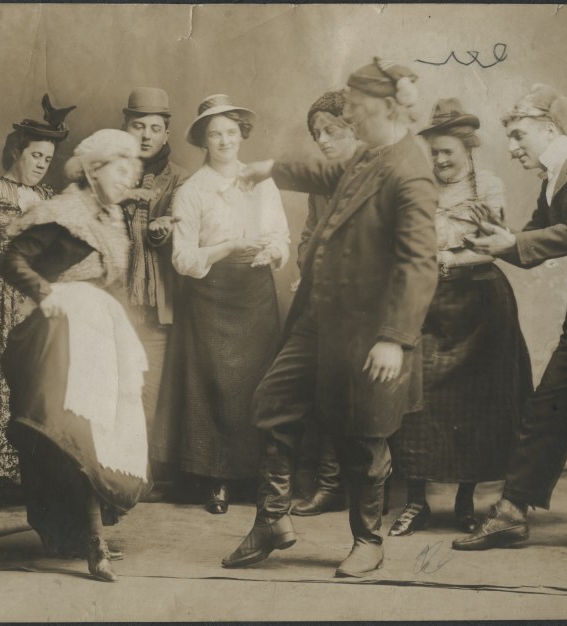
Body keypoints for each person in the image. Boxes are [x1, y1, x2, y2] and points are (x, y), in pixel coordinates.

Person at [222, 58, 438, 577]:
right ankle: (272, 520)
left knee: (362, 435)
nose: (352, 120)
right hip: (321, 318)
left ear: (386, 108)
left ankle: (369, 541)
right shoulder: (372, 154)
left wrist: (394, 337)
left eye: (358, 110)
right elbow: (328, 172)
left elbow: (419, 262)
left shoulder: (411, 170)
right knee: (273, 403)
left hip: (369, 330)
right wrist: (269, 168)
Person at [454, 84, 567, 558]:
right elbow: (531, 242)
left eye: (517, 135)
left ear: (548, 128)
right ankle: (511, 513)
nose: (511, 148)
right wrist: (496, 237)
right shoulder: (553, 178)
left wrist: (512, 244)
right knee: (546, 405)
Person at [1, 129, 148, 583]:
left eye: (133, 171)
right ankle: (89, 537)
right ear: (93, 169)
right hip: (60, 332)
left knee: (102, 431)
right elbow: (11, 259)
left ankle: (81, 531)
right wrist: (45, 293)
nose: (128, 180)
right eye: (120, 170)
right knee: (72, 430)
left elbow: (111, 284)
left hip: (99, 331)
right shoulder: (61, 213)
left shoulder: (111, 218)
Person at [387, 98, 532, 536]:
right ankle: (416, 502)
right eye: (434, 151)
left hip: (480, 305)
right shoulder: (415, 186)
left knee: (476, 405)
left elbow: (491, 246)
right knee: (417, 399)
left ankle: (466, 502)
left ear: (468, 148)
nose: (440, 159)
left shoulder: (486, 186)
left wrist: (446, 258)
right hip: (426, 304)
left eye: (448, 150)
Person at [157, 94, 290, 515]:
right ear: (203, 140)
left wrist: (273, 254)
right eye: (215, 134)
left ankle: (256, 478)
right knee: (213, 385)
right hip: (211, 295)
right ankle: (215, 480)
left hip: (256, 293)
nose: (224, 140)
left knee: (258, 384)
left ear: (241, 135)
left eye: (231, 132)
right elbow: (182, 258)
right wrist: (228, 246)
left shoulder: (263, 181)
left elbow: (282, 236)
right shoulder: (192, 190)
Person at [0, 94, 74, 512]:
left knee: (36, 383)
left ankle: (32, 477)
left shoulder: (51, 198)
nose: (43, 163)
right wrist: (17, 249)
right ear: (16, 152)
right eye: (36, 155)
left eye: (48, 157)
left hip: (38, 300)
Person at [289, 89, 362, 517]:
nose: (322, 140)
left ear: (354, 128)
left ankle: (373, 489)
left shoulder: (379, 173)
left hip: (369, 303)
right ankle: (332, 484)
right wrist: (311, 263)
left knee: (366, 395)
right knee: (323, 390)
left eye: (331, 130)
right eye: (317, 133)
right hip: (327, 301)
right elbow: (306, 237)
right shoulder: (319, 182)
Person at [119, 87, 187, 503]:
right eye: (137, 125)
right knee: (113, 390)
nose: (145, 135)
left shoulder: (179, 179)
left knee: (150, 394)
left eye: (154, 128)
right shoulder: (103, 172)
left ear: (167, 132)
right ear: (124, 126)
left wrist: (166, 232)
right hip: (113, 302)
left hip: (154, 305)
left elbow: (186, 232)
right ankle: (115, 475)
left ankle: (143, 474)